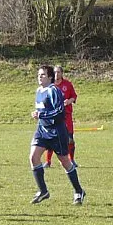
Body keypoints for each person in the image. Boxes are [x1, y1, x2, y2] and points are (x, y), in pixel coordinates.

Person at [29, 65, 86, 205]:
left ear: (50, 77)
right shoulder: (39, 90)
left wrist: (41, 114)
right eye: (38, 75)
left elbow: (60, 112)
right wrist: (37, 115)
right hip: (43, 130)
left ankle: (79, 191)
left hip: (57, 132)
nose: (39, 77)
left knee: (65, 162)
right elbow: (42, 109)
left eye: (42, 75)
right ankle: (43, 191)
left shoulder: (54, 91)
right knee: (33, 157)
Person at [43, 65, 78, 168]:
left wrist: (69, 101)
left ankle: (72, 160)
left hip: (66, 116)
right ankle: (48, 162)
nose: (56, 74)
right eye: (55, 72)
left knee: (70, 139)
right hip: (54, 116)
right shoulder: (50, 86)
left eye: (58, 72)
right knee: (51, 139)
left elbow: (74, 96)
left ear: (62, 73)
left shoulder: (67, 84)